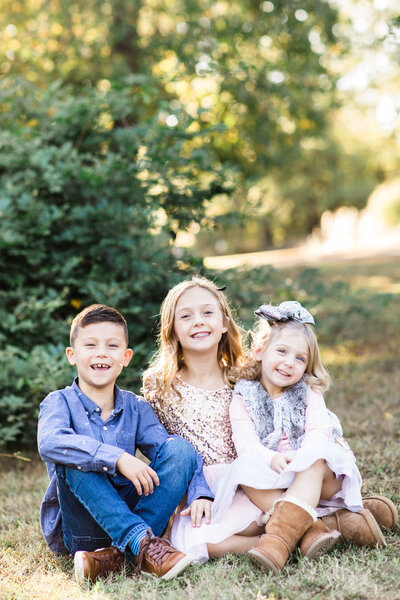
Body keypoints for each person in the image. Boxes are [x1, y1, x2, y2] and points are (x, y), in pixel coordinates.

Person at [37, 304, 215, 584]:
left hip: (135, 512)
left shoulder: (136, 407)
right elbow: (49, 442)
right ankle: (142, 541)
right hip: (84, 527)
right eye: (90, 345)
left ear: (126, 357)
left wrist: (200, 491)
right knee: (75, 459)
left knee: (179, 448)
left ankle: (118, 554)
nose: (101, 353)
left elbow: (174, 454)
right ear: (72, 355)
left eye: (112, 345)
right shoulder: (59, 402)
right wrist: (117, 457)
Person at [221, 300, 398, 573]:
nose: (289, 363)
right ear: (258, 351)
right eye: (282, 351)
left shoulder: (308, 391)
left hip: (317, 474)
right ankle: (316, 527)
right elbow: (246, 444)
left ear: (307, 366)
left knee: (316, 460)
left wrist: (302, 458)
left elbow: (319, 432)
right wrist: (272, 458)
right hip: (276, 472)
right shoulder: (243, 397)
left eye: (300, 358)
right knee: (243, 470)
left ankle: (278, 541)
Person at [143, 276, 275, 563]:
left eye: (207, 313)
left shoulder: (245, 377)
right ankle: (277, 540)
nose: (198, 321)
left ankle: (286, 529)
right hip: (200, 493)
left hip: (250, 484)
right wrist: (189, 494)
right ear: (173, 331)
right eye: (186, 316)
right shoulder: (160, 387)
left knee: (273, 509)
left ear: (225, 323)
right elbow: (165, 453)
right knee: (195, 540)